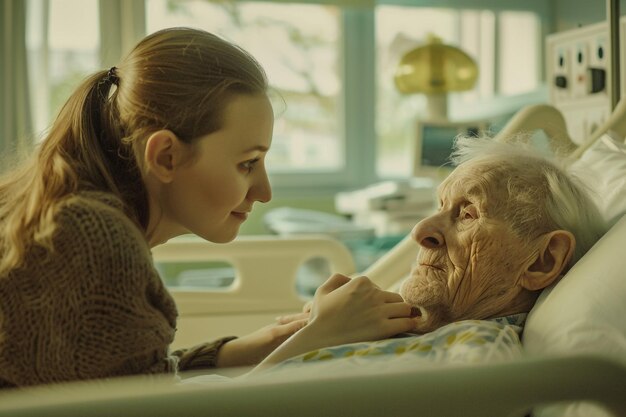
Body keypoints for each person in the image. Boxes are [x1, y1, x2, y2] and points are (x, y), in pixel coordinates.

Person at [0, 27, 417, 388]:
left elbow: (124, 379)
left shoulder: (70, 215)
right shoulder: (91, 238)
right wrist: (318, 339)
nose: (264, 191)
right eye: (247, 163)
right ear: (166, 156)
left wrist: (255, 347)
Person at [261, 135, 608, 373]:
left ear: (542, 260)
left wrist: (314, 339)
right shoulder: (399, 336)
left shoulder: (475, 356)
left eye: (468, 213)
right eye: (440, 205)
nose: (420, 231)